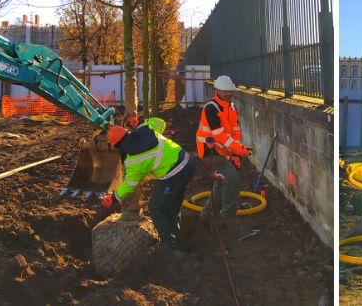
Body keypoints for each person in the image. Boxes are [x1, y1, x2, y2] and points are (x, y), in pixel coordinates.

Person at [102, 118, 196, 250]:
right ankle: (176, 237)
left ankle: (170, 244)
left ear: (117, 146)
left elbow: (129, 184)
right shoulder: (146, 128)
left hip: (174, 174)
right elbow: (160, 123)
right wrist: (140, 121)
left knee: (155, 207)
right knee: (172, 204)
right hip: (187, 163)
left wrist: (113, 198)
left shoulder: (134, 159)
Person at [195, 75, 251, 225]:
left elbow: (235, 132)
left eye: (229, 91)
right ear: (217, 90)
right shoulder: (211, 108)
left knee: (221, 183)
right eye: (224, 91)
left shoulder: (231, 107)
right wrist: (240, 150)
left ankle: (206, 216)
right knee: (231, 177)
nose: (228, 94)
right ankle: (228, 217)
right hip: (209, 151)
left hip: (223, 152)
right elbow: (220, 136)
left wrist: (236, 154)